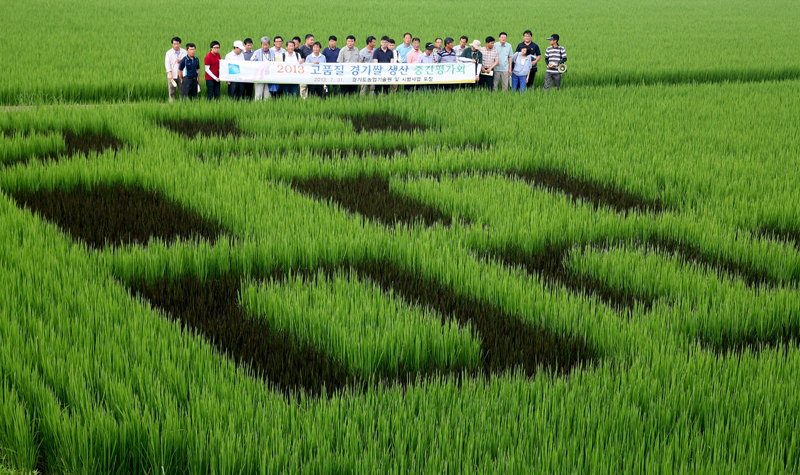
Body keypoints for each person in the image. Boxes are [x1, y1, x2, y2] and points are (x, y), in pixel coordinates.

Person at [165, 37, 186, 103]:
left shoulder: (184, 52)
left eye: (177, 44)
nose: (176, 45)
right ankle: (172, 105)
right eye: (174, 44)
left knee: (182, 91)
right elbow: (167, 64)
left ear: (180, 44)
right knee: (171, 92)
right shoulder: (169, 53)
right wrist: (170, 74)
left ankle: (183, 104)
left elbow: (187, 62)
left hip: (181, 75)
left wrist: (181, 61)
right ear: (172, 44)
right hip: (172, 75)